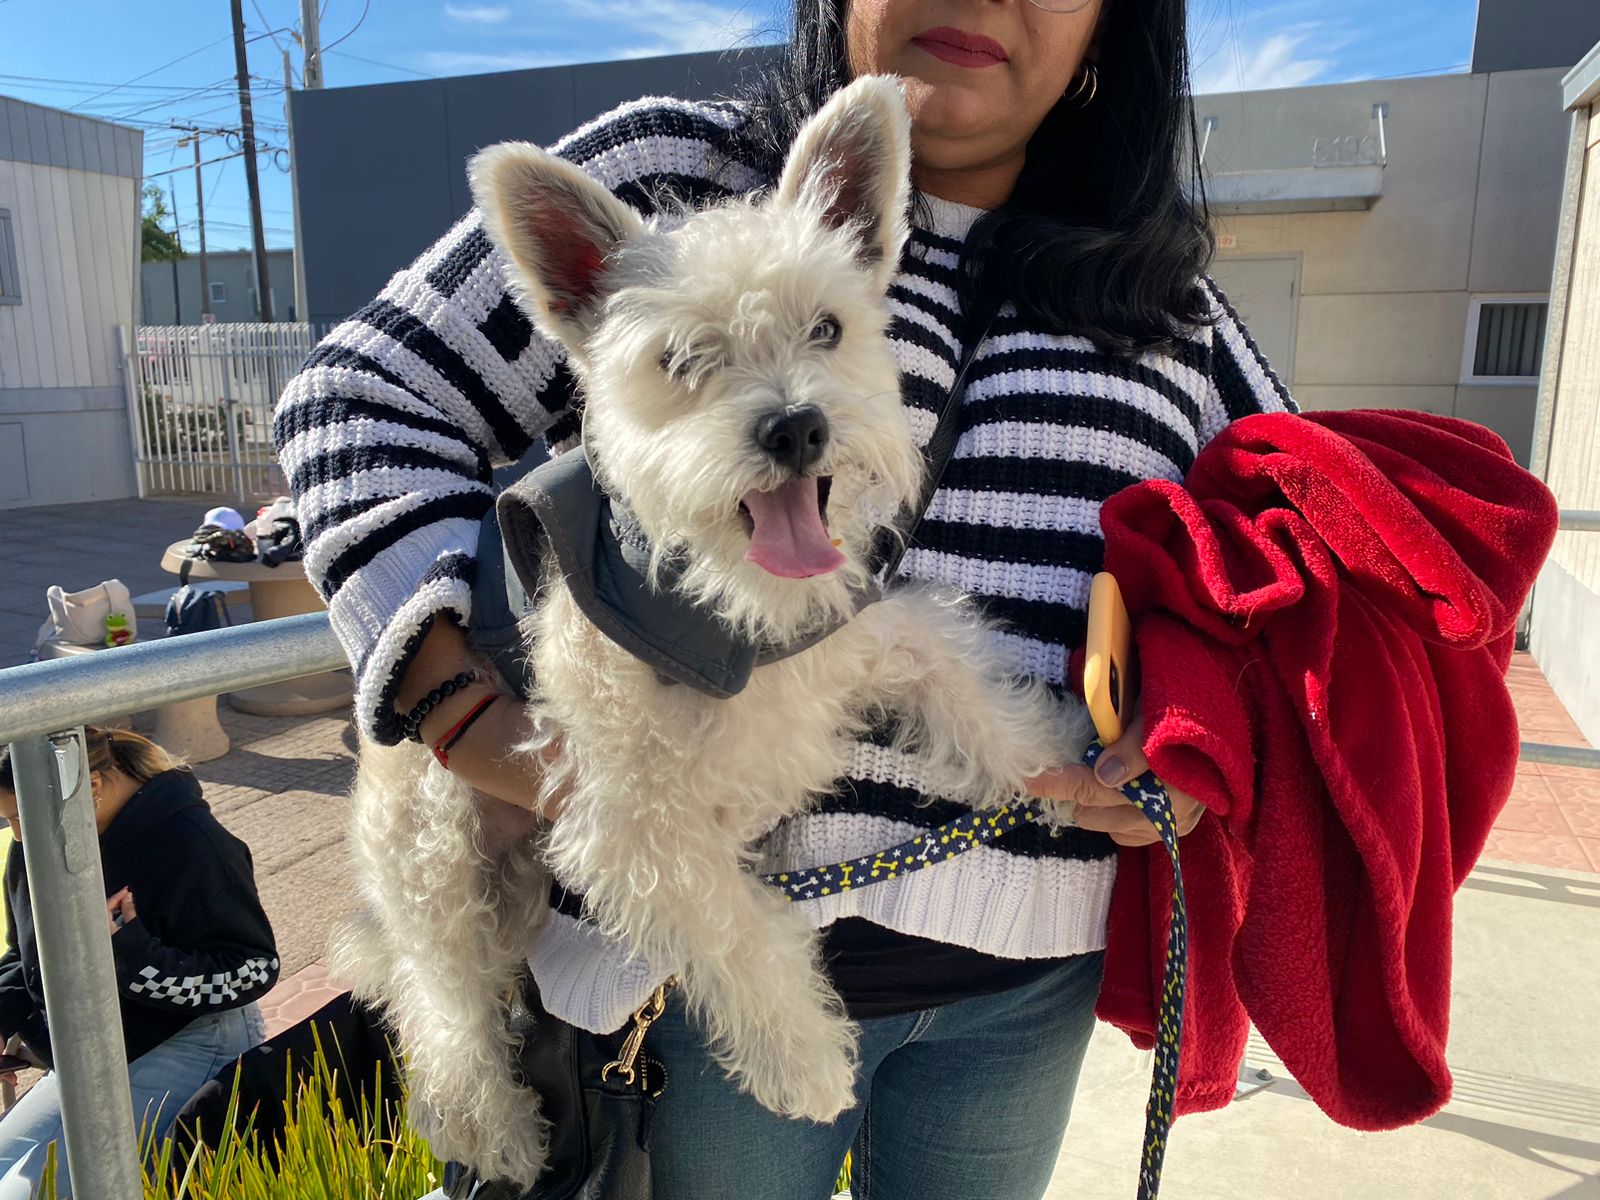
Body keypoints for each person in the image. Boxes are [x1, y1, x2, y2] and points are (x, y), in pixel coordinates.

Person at [273, 1, 1295, 1196]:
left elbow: (1299, 554)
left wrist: (1197, 742)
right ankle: (465, 1087)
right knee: (447, 961)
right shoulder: (675, 171)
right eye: (699, 361)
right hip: (683, 994)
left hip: (1025, 988)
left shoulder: (1165, 294)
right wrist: (454, 708)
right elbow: (352, 406)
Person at [0, 728, 278, 1198]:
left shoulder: (191, 843)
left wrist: (128, 951)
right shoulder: (35, 847)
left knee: (36, 1192)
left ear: (89, 786)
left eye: (20, 815)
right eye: (8, 819)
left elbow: (253, 968)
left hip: (194, 1034)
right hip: (95, 1045)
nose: (17, 833)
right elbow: (25, 955)